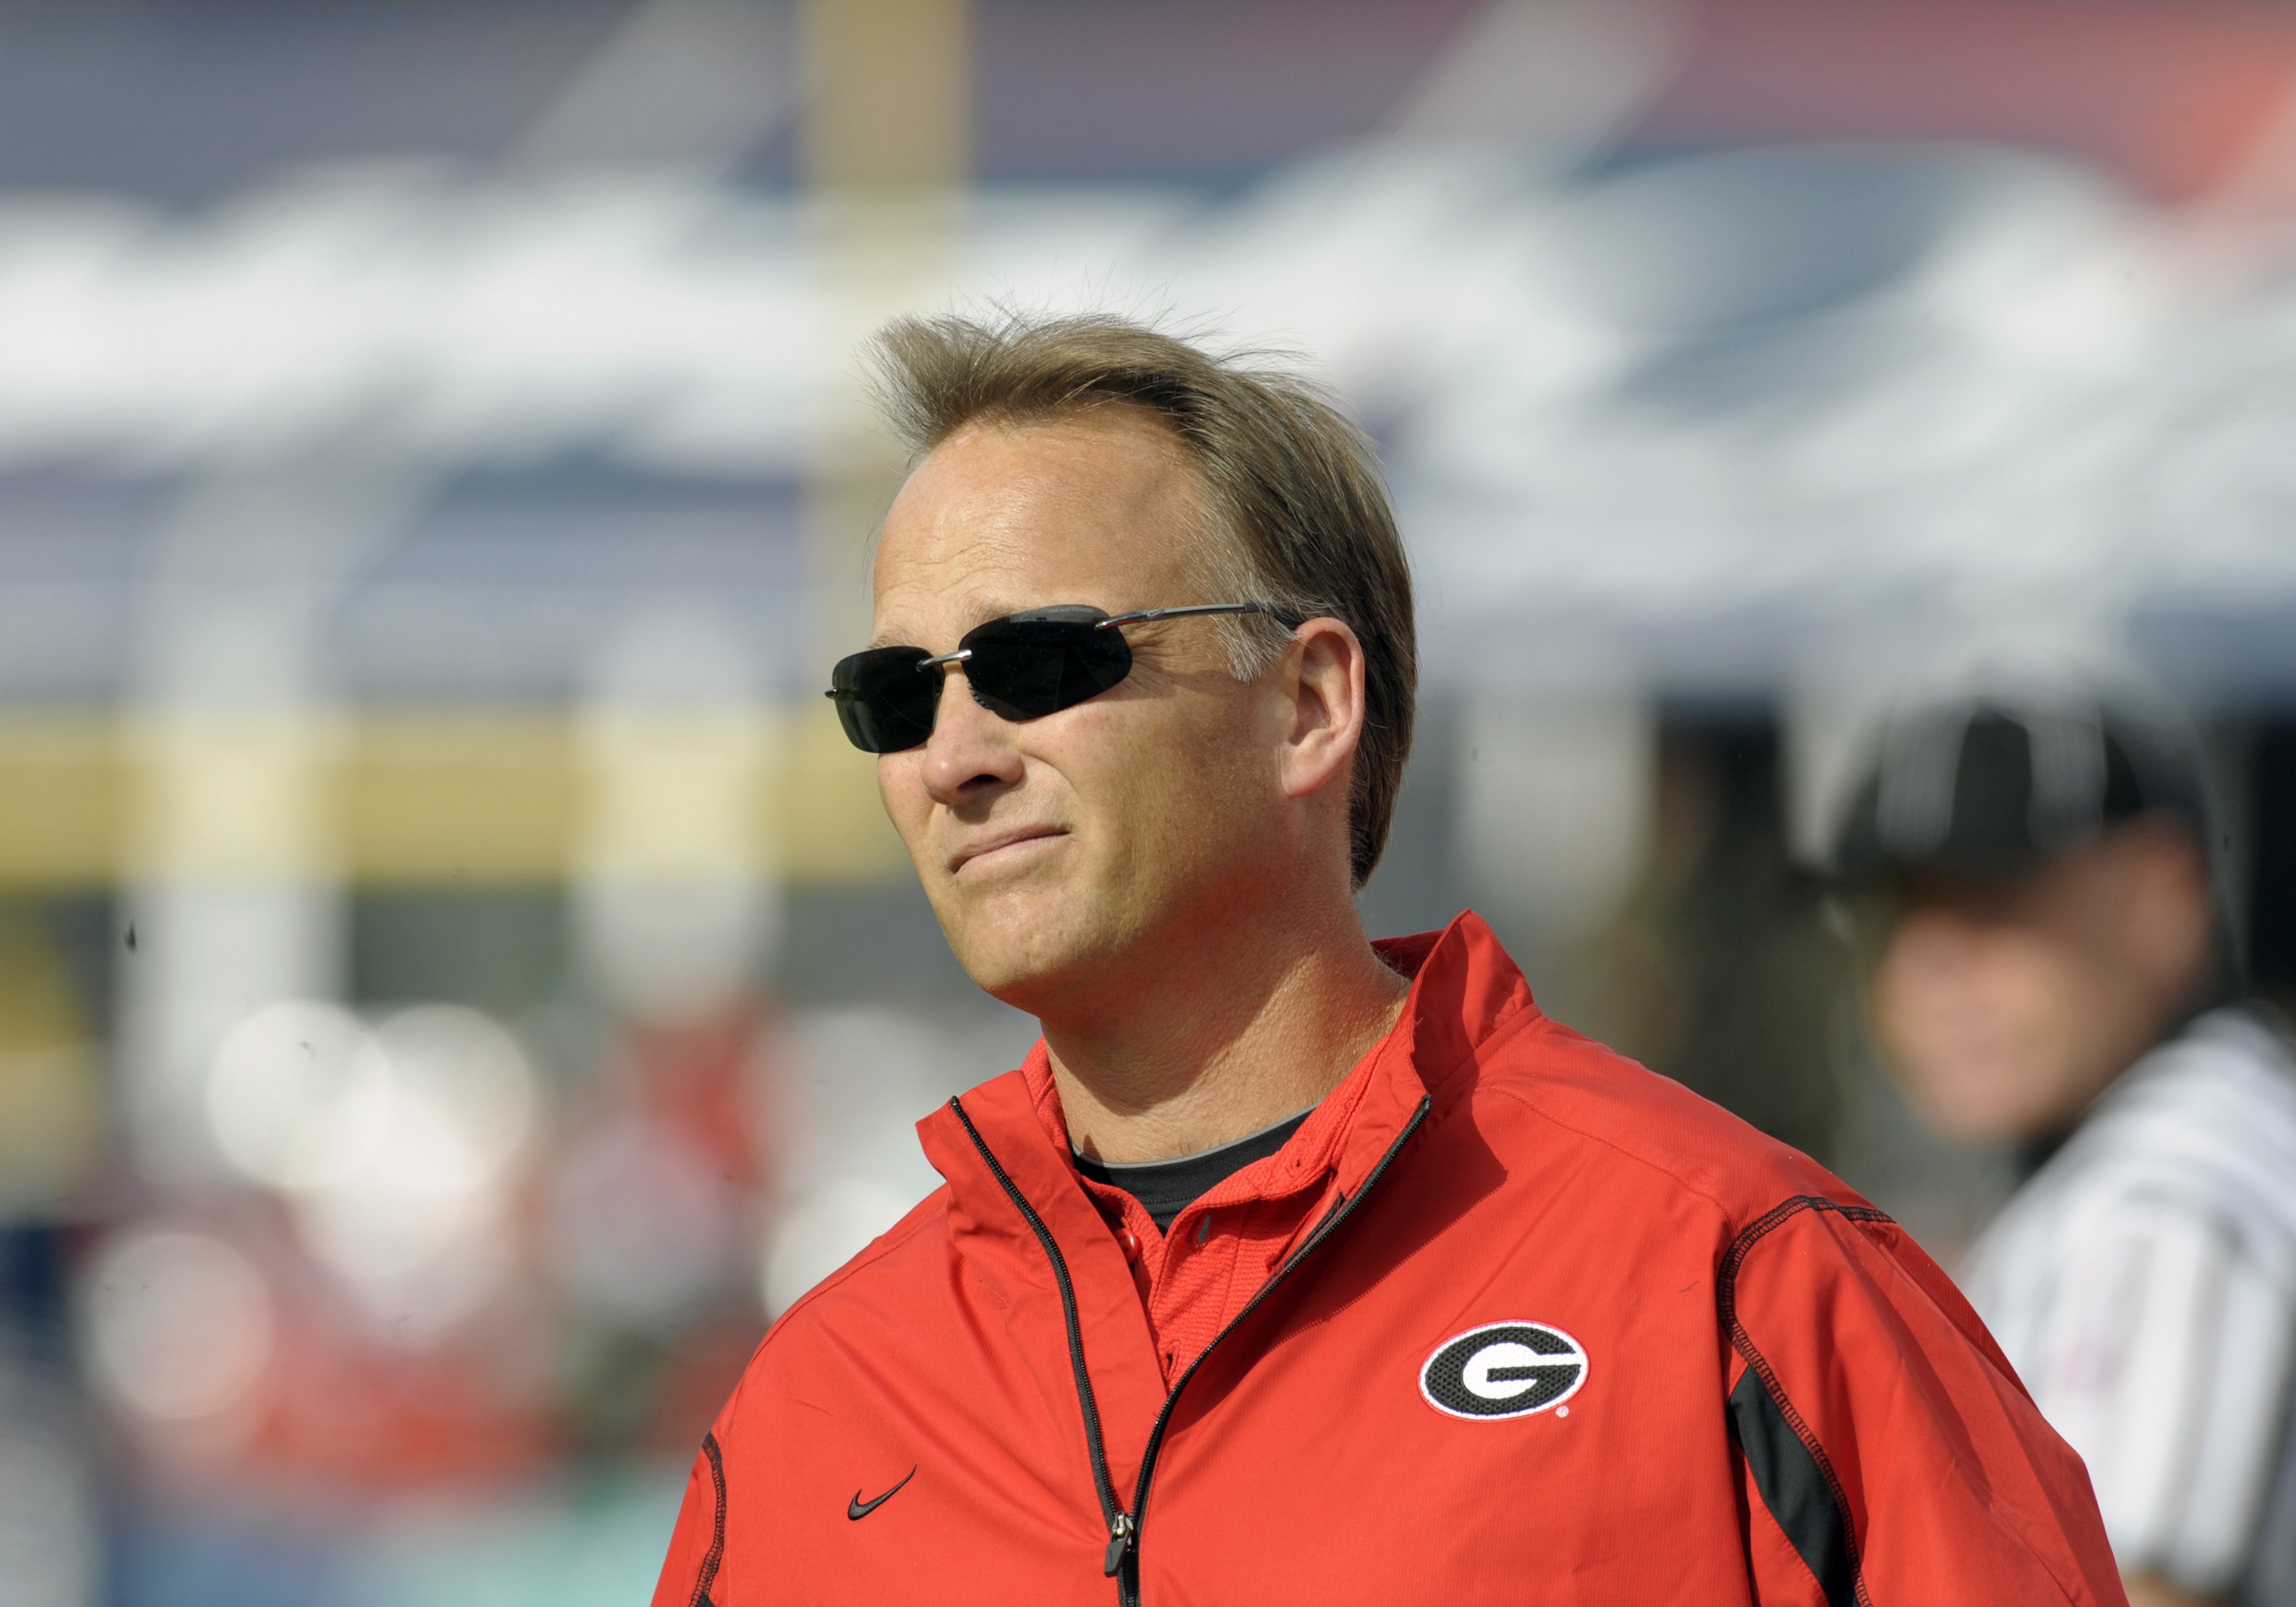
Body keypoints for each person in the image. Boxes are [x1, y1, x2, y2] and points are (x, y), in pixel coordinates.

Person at [652, 311, 2123, 1605]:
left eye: (1044, 663)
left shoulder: (1730, 1275)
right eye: (896, 694)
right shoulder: (820, 1407)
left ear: (1307, 704)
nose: (955, 756)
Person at [1833, 671, 2296, 1607]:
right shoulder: (2195, 1133)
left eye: (1992, 900)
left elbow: (2137, 1588)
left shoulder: (2167, 1196)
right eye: (1903, 912)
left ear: (2160, 899)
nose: (1935, 968)